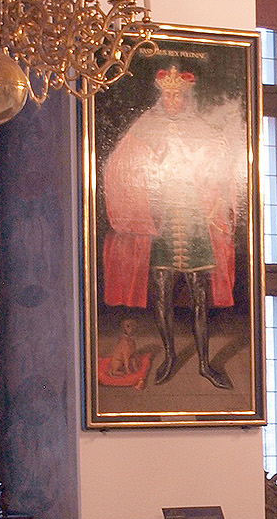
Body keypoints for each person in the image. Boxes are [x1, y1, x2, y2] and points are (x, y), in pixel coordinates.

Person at [101, 65, 242, 389]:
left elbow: (218, 169)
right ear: (162, 96)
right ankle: (170, 355)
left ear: (185, 97)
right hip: (161, 224)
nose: (174, 100)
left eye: (179, 95)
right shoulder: (146, 126)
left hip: (195, 223)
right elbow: (120, 167)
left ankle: (205, 364)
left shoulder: (201, 128)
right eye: (169, 94)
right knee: (162, 294)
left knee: (199, 296)